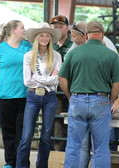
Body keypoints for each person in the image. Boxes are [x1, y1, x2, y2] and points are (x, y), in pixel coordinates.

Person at [58, 21, 119, 168]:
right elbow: (118, 83)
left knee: (74, 146)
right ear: (103, 35)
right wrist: (110, 100)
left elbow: (61, 77)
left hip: (77, 100)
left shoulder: (74, 52)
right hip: (100, 101)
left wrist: (70, 96)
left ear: (86, 35)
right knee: (100, 147)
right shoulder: (111, 55)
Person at [16, 22, 62, 168]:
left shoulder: (56, 56)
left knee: (46, 135)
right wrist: (48, 80)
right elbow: (27, 81)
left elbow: (57, 80)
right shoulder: (28, 56)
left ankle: (41, 166)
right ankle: (22, 165)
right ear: (36, 38)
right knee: (27, 135)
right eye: (41, 35)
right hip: (33, 96)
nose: (44, 38)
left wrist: (38, 78)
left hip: (50, 97)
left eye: (47, 35)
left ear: (50, 38)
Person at [0, 20, 32, 168]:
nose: (24, 30)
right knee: (8, 131)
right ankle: (10, 162)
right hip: (4, 96)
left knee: (23, 132)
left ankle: (22, 162)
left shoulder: (28, 46)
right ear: (13, 30)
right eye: (22, 27)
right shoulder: (0, 48)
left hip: (24, 96)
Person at [50, 15, 73, 150]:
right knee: (57, 117)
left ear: (67, 28)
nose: (58, 29)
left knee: (73, 117)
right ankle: (59, 150)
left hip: (72, 85)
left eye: (61, 27)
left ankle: (71, 149)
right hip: (55, 86)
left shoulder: (74, 44)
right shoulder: (49, 44)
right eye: (55, 27)